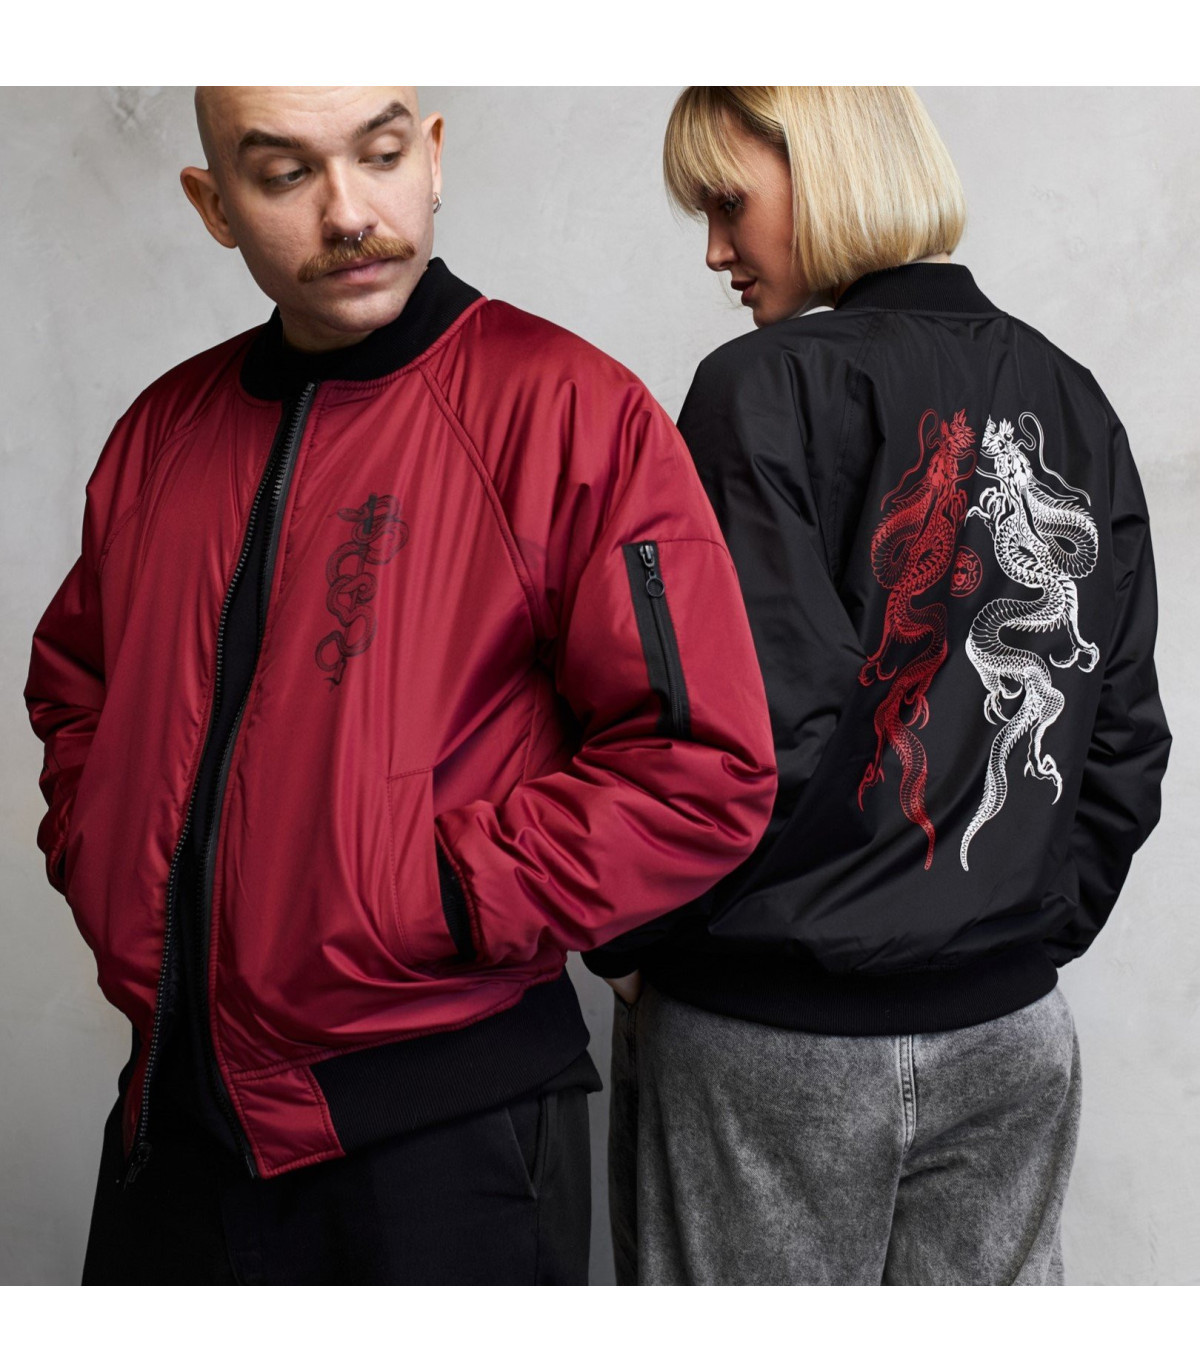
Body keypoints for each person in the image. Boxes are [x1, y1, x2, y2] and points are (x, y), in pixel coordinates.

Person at [24, 85, 776, 1285]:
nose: (347, 212)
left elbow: (699, 764)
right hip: (172, 1126)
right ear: (214, 206)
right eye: (285, 175)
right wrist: (104, 847)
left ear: (431, 158)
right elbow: (77, 693)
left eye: (378, 155)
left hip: (445, 1139)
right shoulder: (161, 433)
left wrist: (435, 896)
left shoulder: (569, 410)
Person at [584, 86, 1171, 1285]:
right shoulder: (1071, 394)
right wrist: (1006, 946)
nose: (715, 249)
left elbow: (746, 731)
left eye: (728, 203)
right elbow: (1121, 734)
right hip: (1012, 1039)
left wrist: (637, 941)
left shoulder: (759, 386)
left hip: (774, 1037)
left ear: (829, 167)